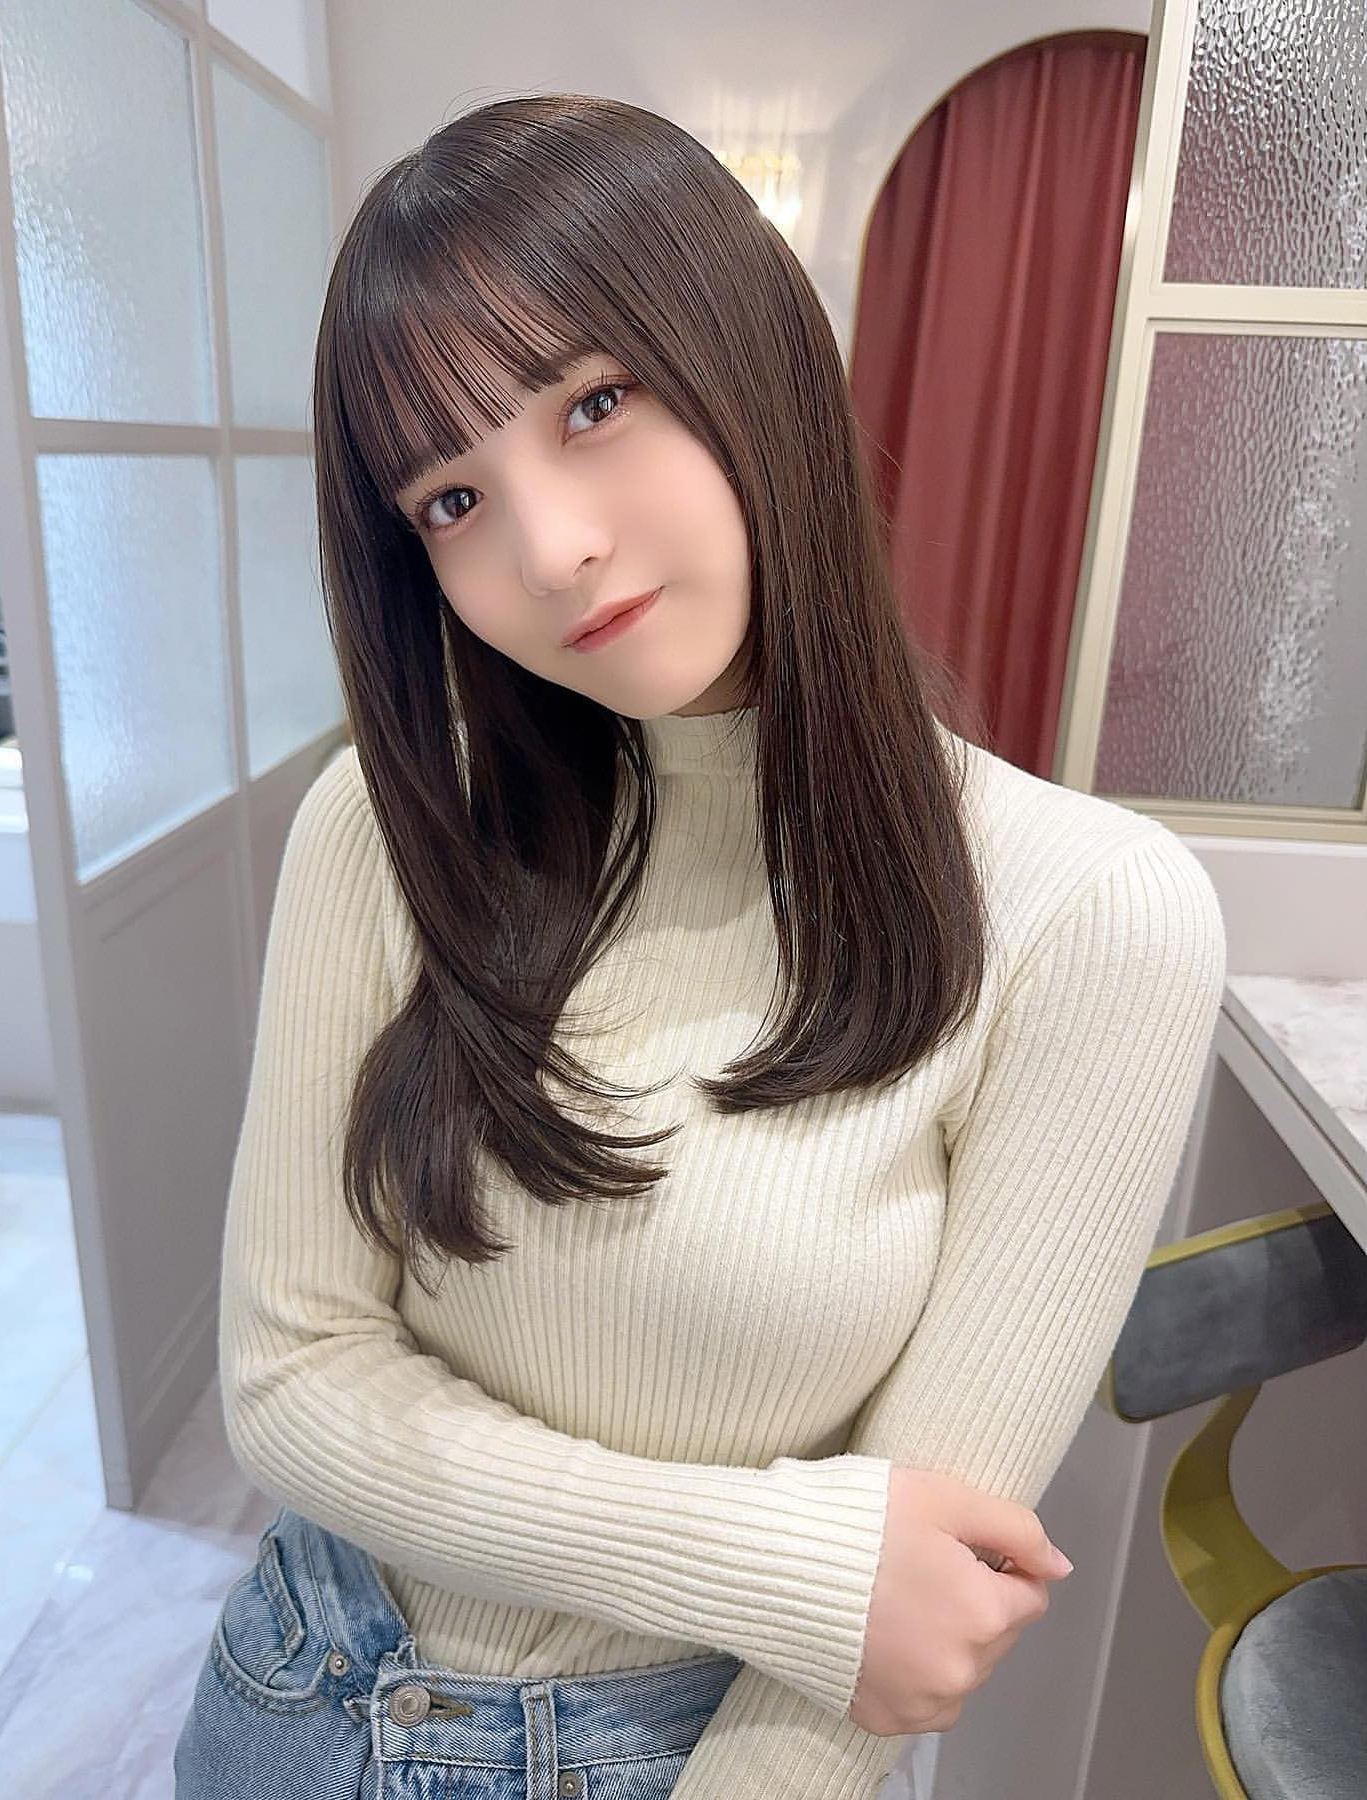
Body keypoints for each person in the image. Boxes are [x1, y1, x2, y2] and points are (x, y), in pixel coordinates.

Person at [173, 91, 1227, 1800]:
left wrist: (841, 1603)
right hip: (294, 1698)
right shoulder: (384, 829)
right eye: (451, 498)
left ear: (752, 350)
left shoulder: (1087, 914)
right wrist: (789, 1564)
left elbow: (914, 1621)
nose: (550, 548)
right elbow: (289, 1379)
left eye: (595, 404)